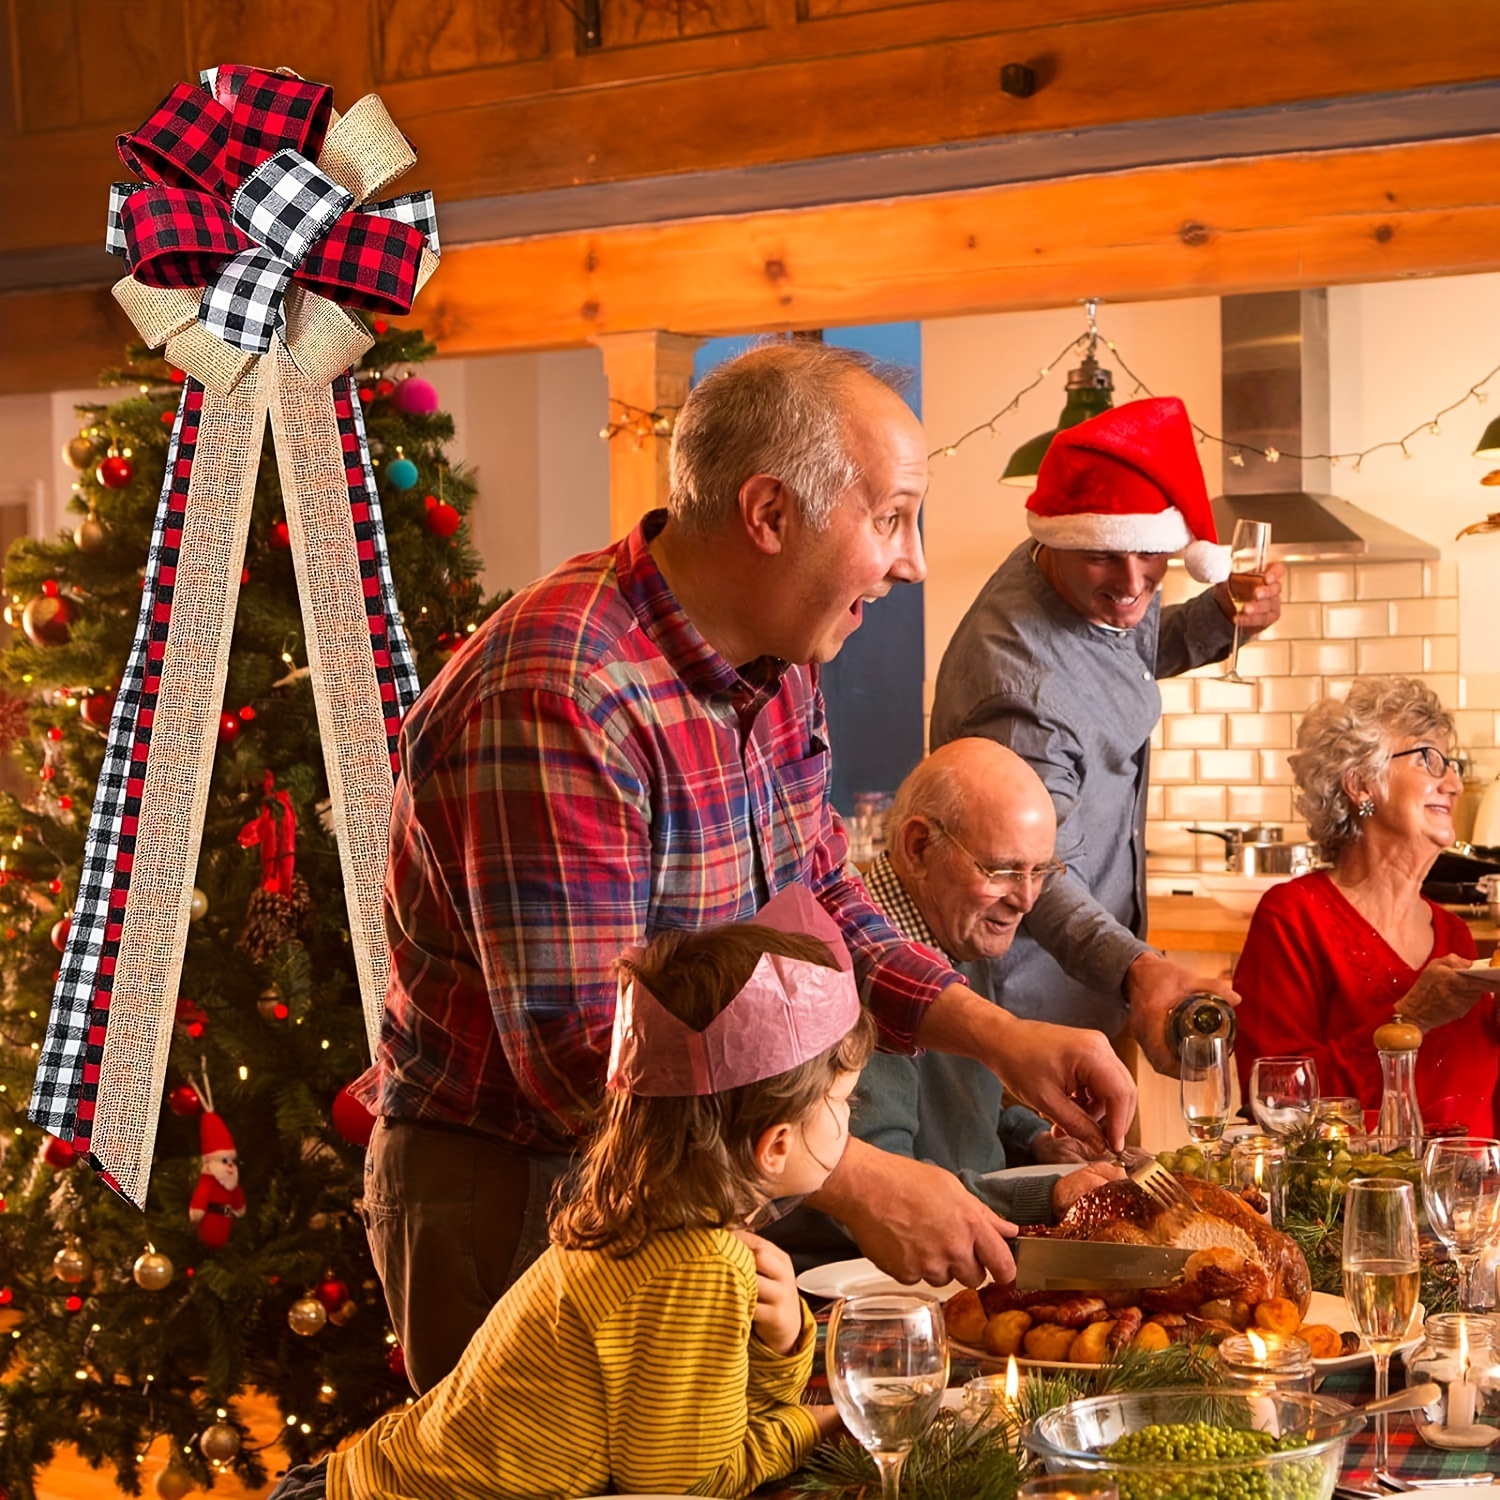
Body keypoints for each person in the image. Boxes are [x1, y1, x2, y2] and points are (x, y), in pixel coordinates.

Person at [358, 340, 1136, 1391]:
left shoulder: (776, 667)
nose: (911, 561)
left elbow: (822, 911)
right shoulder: (564, 691)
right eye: (893, 515)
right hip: (527, 1191)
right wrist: (855, 1180)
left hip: (687, 1178)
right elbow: (588, 1059)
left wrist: (1001, 1038)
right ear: (772, 515)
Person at [269, 890, 864, 1500]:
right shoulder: (698, 1268)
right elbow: (689, 1487)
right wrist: (817, 1426)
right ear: (776, 1144)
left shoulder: (646, 1225)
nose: (851, 1118)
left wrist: (784, 1340)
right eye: (843, 1102)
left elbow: (708, 1434)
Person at [929, 396, 1284, 1075]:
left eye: (1152, 554)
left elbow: (1123, 648)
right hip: (1028, 1019)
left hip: (1093, 991)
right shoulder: (1019, 689)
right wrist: (1140, 969)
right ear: (1061, 541)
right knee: (1050, 1180)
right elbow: (1032, 877)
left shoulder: (1078, 566)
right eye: (1104, 559)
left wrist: (1220, 615)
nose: (1131, 583)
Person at [768, 737, 1121, 1270]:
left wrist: (1034, 1140)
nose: (1026, 899)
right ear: (917, 847)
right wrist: (1046, 1196)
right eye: (1002, 869)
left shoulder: (957, 928)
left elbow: (955, 1125)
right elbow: (884, 1195)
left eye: (1041, 871)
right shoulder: (848, 975)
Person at [1234, 677, 1500, 1136]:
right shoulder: (1294, 918)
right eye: (1428, 758)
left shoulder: (1453, 933)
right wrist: (1409, 1020)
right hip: (1357, 1202)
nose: (1453, 783)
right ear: (1361, 783)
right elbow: (1276, 1105)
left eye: (1450, 764)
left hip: (1471, 1201)